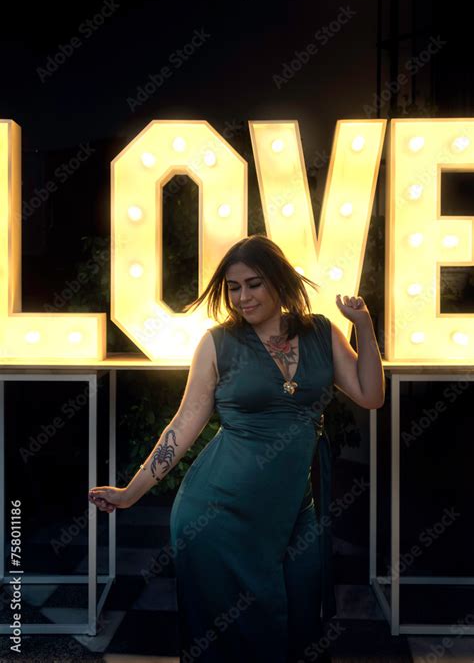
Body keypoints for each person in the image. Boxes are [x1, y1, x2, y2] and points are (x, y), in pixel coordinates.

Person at [88, 234, 385, 662]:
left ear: (280, 282)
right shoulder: (217, 343)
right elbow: (183, 424)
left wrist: (364, 326)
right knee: (232, 639)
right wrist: (129, 493)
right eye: (233, 286)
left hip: (295, 514)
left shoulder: (322, 332)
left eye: (254, 283)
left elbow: (371, 395)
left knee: (299, 624)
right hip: (217, 518)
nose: (242, 297)